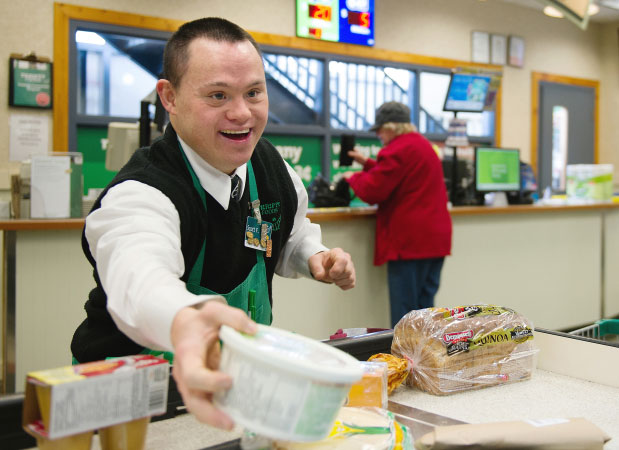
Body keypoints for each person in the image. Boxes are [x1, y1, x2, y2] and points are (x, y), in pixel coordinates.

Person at [71, 17, 355, 430]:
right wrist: (186, 320)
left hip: (229, 390)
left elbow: (290, 234)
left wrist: (315, 255)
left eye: (254, 93)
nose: (241, 114)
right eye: (218, 95)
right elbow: (138, 273)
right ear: (169, 96)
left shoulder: (271, 167)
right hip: (126, 406)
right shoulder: (144, 192)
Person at [344, 101, 451, 328]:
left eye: (380, 130)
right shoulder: (422, 145)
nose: (379, 136)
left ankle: (405, 362)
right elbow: (399, 175)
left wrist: (352, 178)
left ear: (390, 127)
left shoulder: (397, 149)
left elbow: (373, 190)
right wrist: (368, 163)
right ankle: (425, 361)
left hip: (409, 242)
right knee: (426, 312)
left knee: (405, 317)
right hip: (435, 240)